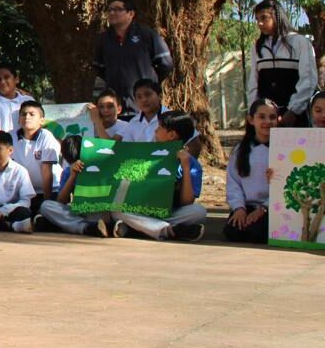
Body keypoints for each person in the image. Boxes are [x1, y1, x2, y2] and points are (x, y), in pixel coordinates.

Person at [111, 110, 207, 241]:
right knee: (116, 210)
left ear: (171, 135)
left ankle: (140, 229)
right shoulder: (146, 153)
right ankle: (169, 230)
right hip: (141, 209)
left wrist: (185, 167)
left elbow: (186, 202)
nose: (155, 130)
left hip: (171, 211)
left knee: (199, 212)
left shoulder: (191, 164)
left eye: (160, 127)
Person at [91, 0, 172, 115]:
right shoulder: (104, 39)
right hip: (116, 110)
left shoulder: (146, 34)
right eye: (110, 10)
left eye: (118, 9)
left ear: (131, 13)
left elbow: (165, 63)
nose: (112, 13)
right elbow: (99, 68)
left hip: (142, 107)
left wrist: (149, 82)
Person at [247, 0, 317, 126]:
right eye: (257, 19)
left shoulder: (300, 42)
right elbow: (254, 82)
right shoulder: (258, 47)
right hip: (265, 118)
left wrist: (293, 111)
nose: (260, 23)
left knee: (295, 146)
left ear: (277, 16)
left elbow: (308, 79)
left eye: (264, 18)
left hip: (294, 117)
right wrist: (254, 109)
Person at [34, 135, 112, 237]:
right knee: (46, 205)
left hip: (99, 211)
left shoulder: (99, 167)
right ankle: (87, 228)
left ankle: (68, 225)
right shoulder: (67, 172)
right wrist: (72, 176)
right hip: (79, 212)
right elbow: (61, 201)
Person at [224, 99, 278, 244]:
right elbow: (233, 182)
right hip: (246, 205)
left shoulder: (283, 151)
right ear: (251, 119)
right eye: (262, 117)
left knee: (257, 233)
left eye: (272, 117)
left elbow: (285, 186)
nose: (267, 121)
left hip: (272, 207)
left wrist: (264, 208)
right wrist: (239, 209)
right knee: (233, 231)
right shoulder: (240, 151)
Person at [12, 101, 61, 211]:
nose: (27, 117)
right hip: (24, 193)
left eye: (32, 114)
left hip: (50, 190)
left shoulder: (46, 137)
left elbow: (47, 170)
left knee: (46, 213)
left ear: (41, 121)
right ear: (19, 119)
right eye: (23, 114)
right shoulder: (11, 137)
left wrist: (46, 202)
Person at [0, 63, 34, 134]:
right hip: (3, 143)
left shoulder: (28, 100)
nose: (2, 82)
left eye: (6, 77)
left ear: (16, 79)